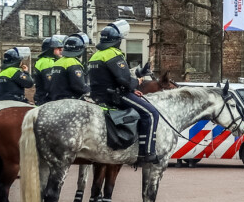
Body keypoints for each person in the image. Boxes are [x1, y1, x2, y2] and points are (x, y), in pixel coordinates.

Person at [88, 19, 161, 165]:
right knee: (152, 113)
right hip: (116, 96)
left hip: (98, 96)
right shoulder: (113, 54)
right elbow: (124, 81)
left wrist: (133, 90)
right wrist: (137, 83)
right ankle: (146, 152)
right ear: (117, 41)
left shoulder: (95, 55)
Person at [48, 34, 90, 101]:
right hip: (69, 101)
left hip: (55, 100)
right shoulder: (73, 63)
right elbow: (79, 86)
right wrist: (91, 90)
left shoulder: (57, 62)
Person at [33, 35, 63, 105]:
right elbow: (50, 84)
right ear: (51, 49)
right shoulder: (47, 62)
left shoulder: (43, 60)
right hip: (47, 100)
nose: (61, 50)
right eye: (58, 48)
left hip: (42, 98)